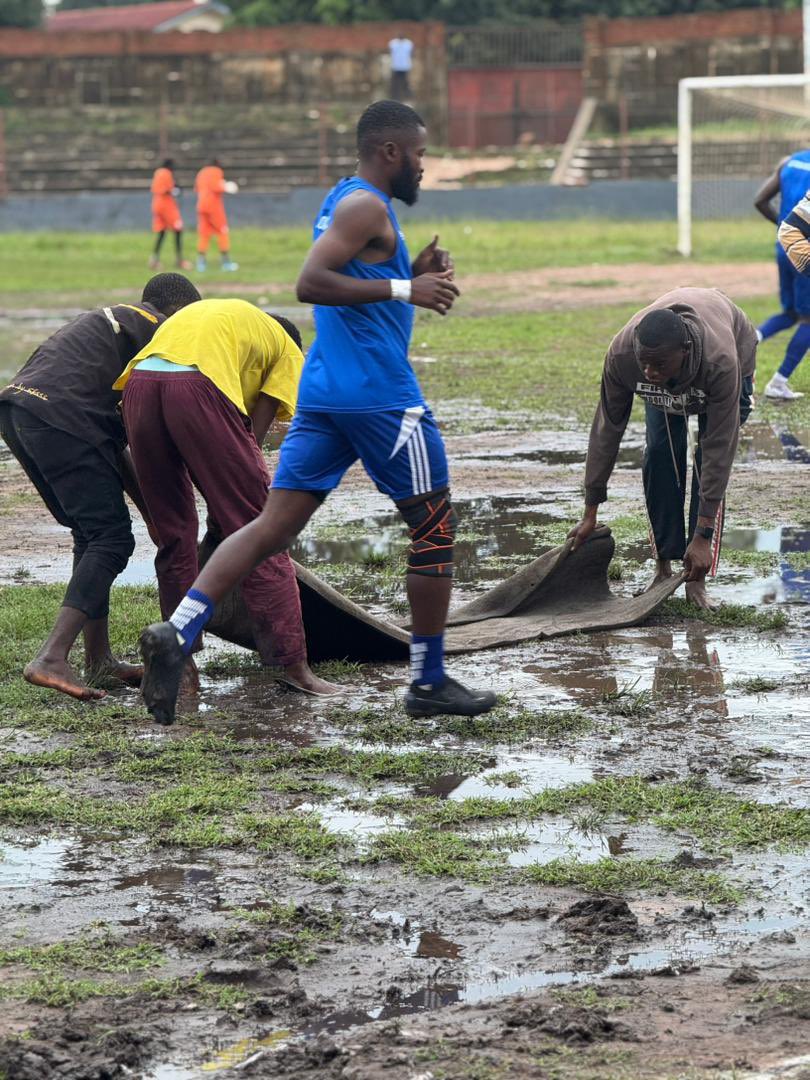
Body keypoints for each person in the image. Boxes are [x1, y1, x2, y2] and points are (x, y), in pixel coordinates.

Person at [135, 100, 497, 727]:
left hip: (328, 394)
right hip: (380, 397)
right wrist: (407, 287)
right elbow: (311, 282)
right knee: (434, 528)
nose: (422, 165)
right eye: (419, 153)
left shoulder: (346, 200)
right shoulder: (366, 206)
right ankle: (429, 681)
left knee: (269, 528)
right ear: (391, 152)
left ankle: (179, 631)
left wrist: (410, 272)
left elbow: (352, 280)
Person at [114, 298, 337, 718]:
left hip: (139, 386)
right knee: (262, 526)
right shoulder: (287, 350)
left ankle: (181, 666)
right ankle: (294, 665)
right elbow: (251, 434)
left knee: (174, 532)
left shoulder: (228, 323)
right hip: (195, 387)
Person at [0, 273, 201, 702]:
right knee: (111, 539)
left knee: (90, 534)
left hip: (20, 412)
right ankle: (52, 657)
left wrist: (151, 512)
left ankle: (98, 659)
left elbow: (114, 447)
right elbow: (138, 439)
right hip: (62, 418)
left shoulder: (112, 324)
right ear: (177, 313)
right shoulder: (156, 336)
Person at [568, 288, 757, 611]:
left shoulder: (721, 363)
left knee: (705, 461)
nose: (650, 373)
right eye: (645, 363)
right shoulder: (624, 357)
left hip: (729, 354)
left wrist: (702, 534)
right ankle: (663, 567)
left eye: (658, 364)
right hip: (673, 377)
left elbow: (718, 451)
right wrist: (591, 509)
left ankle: (696, 578)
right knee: (659, 453)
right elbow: (607, 430)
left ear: (684, 350)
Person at [753, 151, 810, 400]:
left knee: (790, 313)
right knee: (808, 320)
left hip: (785, 245)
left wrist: (782, 226)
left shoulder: (789, 162)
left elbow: (760, 201)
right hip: (806, 251)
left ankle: (748, 341)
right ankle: (778, 382)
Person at [194, 158, 239, 273]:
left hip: (201, 206)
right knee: (222, 232)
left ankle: (201, 264)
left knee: (204, 234)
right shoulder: (216, 171)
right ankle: (226, 263)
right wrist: (226, 186)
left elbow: (197, 189)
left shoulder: (201, 172)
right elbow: (216, 186)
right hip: (213, 207)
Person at [149, 158, 191, 271]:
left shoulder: (157, 172)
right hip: (166, 206)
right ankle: (180, 260)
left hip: (156, 204)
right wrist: (176, 190)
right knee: (178, 230)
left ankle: (154, 260)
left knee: (161, 233)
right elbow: (168, 190)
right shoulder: (166, 173)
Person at [388, 35, 413, 101]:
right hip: (396, 65)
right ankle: (395, 94)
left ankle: (406, 94)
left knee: (405, 81)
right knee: (395, 81)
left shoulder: (408, 43)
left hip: (405, 65)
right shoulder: (393, 43)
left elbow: (411, 53)